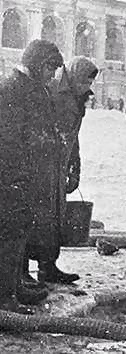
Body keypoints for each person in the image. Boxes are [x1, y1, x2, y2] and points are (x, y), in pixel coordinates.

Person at [0, 40, 65, 313]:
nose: (53, 75)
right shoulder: (13, 89)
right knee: (9, 235)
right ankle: (5, 297)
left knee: (21, 230)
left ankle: (15, 285)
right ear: (39, 65)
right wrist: (16, 176)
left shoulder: (29, 87)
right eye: (51, 69)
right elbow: (10, 139)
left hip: (25, 175)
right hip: (11, 177)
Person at [25, 56, 99, 287]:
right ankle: (23, 270)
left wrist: (75, 163)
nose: (87, 88)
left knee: (56, 215)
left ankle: (49, 266)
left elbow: (73, 135)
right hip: (42, 165)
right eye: (85, 82)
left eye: (90, 84)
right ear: (74, 75)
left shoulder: (77, 97)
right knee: (38, 217)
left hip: (59, 164)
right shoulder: (53, 92)